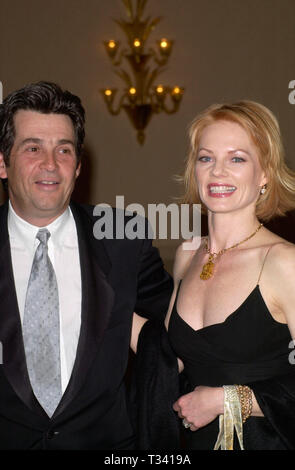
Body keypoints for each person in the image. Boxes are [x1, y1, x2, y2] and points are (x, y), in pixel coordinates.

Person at [0, 81, 173, 450]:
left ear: (78, 166)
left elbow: (180, 327)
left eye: (64, 150)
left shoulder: (124, 239)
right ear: (2, 162)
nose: (50, 164)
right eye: (33, 148)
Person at [132, 100, 295, 450]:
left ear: (264, 173)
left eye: (237, 158)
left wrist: (228, 401)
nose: (218, 172)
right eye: (206, 158)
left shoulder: (284, 263)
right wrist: (94, 300)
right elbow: (167, 359)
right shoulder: (188, 254)